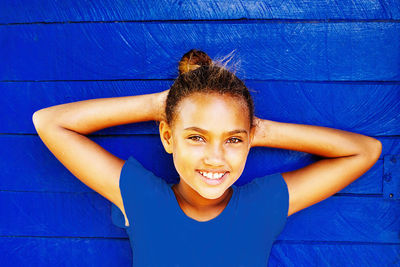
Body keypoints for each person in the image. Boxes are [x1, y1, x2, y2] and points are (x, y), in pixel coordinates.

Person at [32, 49, 382, 266]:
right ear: (168, 137)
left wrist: (259, 130)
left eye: (232, 140)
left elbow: (365, 151)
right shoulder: (141, 198)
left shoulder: (262, 205)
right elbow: (49, 122)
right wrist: (160, 105)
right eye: (196, 137)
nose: (215, 157)